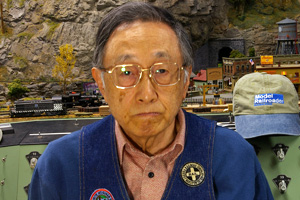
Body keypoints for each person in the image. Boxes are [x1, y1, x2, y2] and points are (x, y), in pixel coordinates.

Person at [28, 2, 273, 200]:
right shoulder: (59, 166)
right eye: (126, 72)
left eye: (162, 70)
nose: (147, 94)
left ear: (186, 78)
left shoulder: (233, 157)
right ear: (101, 82)